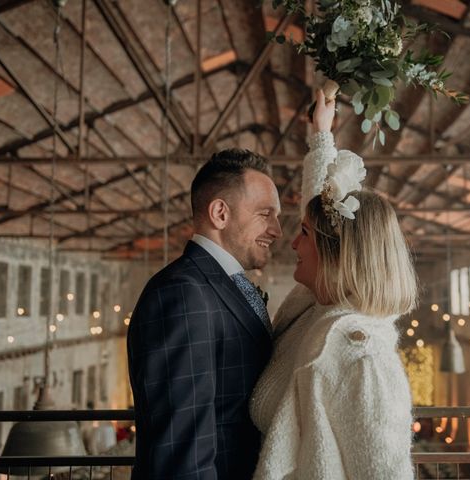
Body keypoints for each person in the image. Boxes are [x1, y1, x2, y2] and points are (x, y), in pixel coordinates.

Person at [250, 90, 418, 479]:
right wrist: (321, 134)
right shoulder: (319, 307)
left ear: (335, 256)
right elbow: (319, 203)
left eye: (303, 234)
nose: (291, 242)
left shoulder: (363, 357)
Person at [127, 149, 282, 479]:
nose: (277, 230)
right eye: (265, 214)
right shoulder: (183, 293)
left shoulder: (219, 284)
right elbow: (182, 450)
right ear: (220, 213)